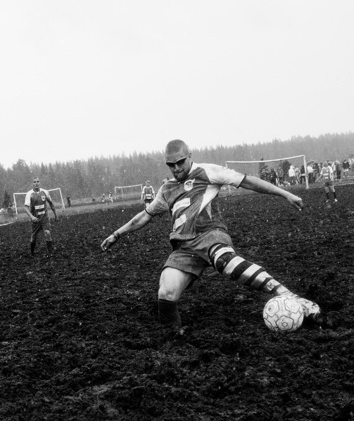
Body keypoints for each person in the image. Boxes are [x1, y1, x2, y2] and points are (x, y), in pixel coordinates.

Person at [99, 139, 325, 334]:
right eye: (171, 165)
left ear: (190, 156)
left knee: (224, 261)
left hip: (210, 235)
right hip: (184, 248)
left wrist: (285, 194)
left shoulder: (208, 172)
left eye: (180, 162)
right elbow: (144, 216)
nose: (176, 168)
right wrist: (117, 234)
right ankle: (172, 341)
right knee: (166, 294)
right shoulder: (166, 190)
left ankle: (294, 299)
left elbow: (248, 181)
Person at [23, 176, 58, 256]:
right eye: (34, 182)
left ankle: (50, 253)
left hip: (45, 218)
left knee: (47, 233)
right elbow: (25, 208)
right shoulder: (29, 194)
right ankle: (32, 253)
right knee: (34, 237)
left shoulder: (45, 192)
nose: (36, 183)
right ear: (32, 184)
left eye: (38, 181)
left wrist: (56, 215)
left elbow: (51, 203)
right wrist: (32, 217)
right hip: (35, 219)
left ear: (40, 182)